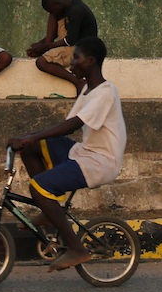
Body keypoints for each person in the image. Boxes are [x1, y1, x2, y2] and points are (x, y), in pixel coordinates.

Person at [7, 36, 125, 272]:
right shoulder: (87, 90)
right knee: (31, 147)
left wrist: (31, 136)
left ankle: (76, 248)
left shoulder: (105, 92)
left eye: (76, 59)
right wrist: (28, 139)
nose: (72, 65)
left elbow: (73, 125)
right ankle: (51, 210)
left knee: (38, 187)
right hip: (84, 153)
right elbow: (68, 122)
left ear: (91, 61)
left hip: (100, 162)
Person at [27, 0, 98, 93]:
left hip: (81, 48)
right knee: (54, 15)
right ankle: (48, 47)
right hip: (73, 42)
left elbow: (70, 41)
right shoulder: (68, 3)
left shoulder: (76, 10)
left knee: (41, 62)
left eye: (52, 10)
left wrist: (45, 46)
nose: (53, 13)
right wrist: (42, 45)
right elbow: (58, 31)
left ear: (57, 4)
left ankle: (78, 82)